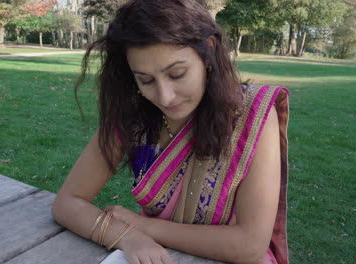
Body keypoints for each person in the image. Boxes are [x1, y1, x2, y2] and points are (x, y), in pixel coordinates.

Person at [51, 0, 289, 263]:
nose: (165, 97)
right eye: (146, 80)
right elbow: (67, 203)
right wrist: (128, 237)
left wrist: (146, 227)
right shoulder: (133, 116)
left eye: (177, 74)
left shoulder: (254, 115)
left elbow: (249, 246)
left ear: (208, 53)